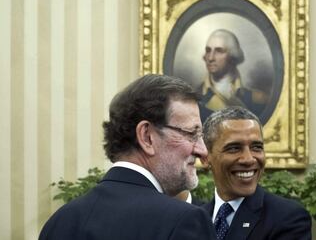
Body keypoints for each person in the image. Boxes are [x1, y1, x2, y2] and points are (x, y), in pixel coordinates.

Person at [39, 74, 216, 240]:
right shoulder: (185, 220)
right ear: (147, 136)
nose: (203, 150)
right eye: (192, 134)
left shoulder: (60, 221)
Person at [202, 106, 311, 240]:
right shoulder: (195, 218)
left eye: (256, 147)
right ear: (205, 157)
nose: (248, 159)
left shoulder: (288, 218)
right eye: (234, 148)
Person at [198, 29, 268, 121]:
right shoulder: (193, 98)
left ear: (232, 55)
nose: (210, 58)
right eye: (208, 50)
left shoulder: (257, 99)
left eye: (219, 51)